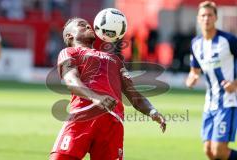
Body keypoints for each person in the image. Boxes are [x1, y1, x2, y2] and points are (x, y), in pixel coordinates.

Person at [50, 17, 166, 160]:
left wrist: (152, 111)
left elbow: (133, 94)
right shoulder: (69, 52)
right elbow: (71, 81)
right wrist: (96, 97)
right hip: (83, 115)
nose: (88, 26)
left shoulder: (115, 59)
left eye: (88, 25)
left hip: (113, 123)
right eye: (82, 25)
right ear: (70, 36)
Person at [186, 1, 237, 160]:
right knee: (209, 151)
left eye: (209, 15)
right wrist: (191, 79)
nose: (206, 18)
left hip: (228, 101)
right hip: (210, 102)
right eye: (203, 15)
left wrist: (235, 83)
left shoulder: (228, 40)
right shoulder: (196, 44)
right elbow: (194, 71)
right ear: (198, 19)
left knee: (219, 151)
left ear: (216, 17)